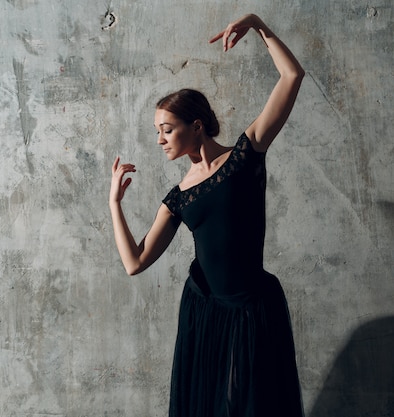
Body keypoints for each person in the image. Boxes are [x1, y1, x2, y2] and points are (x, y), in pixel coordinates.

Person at [109, 14, 305, 417]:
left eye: (167, 129)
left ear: (196, 126)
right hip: (204, 315)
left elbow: (292, 77)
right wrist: (115, 204)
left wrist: (259, 25)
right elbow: (135, 263)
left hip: (251, 310)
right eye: (156, 131)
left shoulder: (244, 157)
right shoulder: (178, 197)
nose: (159, 139)